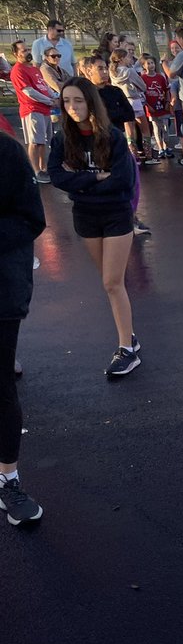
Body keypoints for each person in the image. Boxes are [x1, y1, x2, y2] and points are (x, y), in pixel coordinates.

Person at [47, 77, 141, 377]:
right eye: (67, 101)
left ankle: (126, 349)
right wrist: (94, 179)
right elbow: (56, 177)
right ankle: (130, 338)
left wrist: (80, 182)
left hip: (115, 214)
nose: (73, 107)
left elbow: (122, 182)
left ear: (91, 102)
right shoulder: (63, 139)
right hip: (85, 216)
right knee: (109, 284)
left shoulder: (111, 136)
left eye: (79, 100)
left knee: (112, 282)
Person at [0, 132, 46, 525]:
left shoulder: (7, 151)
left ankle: (8, 480)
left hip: (1, 291)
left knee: (0, 387)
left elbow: (32, 218)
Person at [10, 48, 57, 182]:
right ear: (16, 54)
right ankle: (35, 171)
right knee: (35, 142)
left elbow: (44, 86)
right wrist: (49, 101)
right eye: (23, 50)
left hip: (45, 109)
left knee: (44, 142)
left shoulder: (34, 69)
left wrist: (54, 97)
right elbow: (28, 91)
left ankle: (44, 169)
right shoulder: (18, 70)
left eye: (28, 49)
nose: (27, 52)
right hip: (32, 109)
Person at [140, 56, 173, 157]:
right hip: (152, 108)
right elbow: (142, 93)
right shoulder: (143, 78)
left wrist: (167, 102)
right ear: (144, 66)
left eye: (152, 63)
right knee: (156, 128)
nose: (151, 65)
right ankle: (160, 148)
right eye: (148, 63)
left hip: (162, 106)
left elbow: (166, 90)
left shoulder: (160, 77)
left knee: (166, 128)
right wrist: (147, 105)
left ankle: (167, 147)